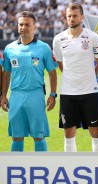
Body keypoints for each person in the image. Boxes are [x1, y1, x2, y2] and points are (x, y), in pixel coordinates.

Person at [1, 11, 57, 152]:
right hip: (16, 95)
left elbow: (52, 72)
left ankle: (41, 167)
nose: (23, 27)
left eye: (27, 24)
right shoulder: (9, 49)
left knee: (38, 136)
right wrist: (3, 95)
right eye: (21, 24)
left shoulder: (44, 48)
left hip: (36, 95)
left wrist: (53, 94)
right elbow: (6, 74)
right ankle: (16, 168)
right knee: (17, 136)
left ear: (34, 27)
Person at [53, 3, 98, 152]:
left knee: (95, 131)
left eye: (75, 16)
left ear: (82, 17)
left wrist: (89, 77)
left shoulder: (93, 37)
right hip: (68, 92)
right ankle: (71, 165)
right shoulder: (58, 39)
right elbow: (61, 64)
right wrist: (72, 78)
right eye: (69, 16)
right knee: (68, 132)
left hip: (89, 91)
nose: (71, 19)